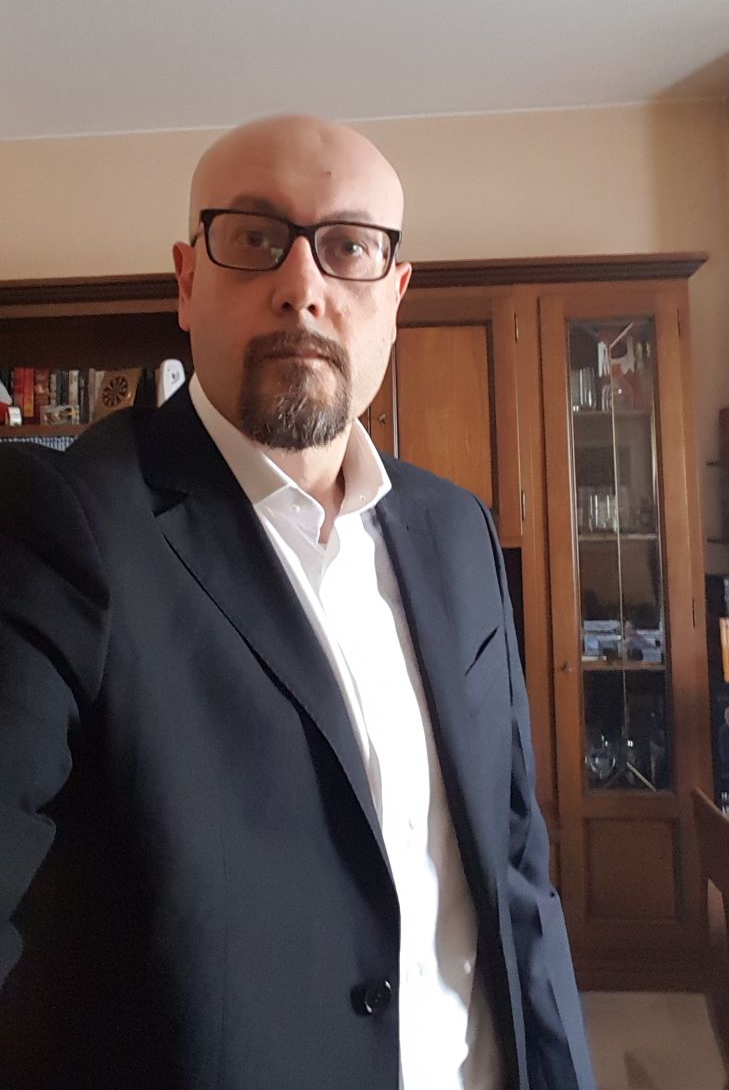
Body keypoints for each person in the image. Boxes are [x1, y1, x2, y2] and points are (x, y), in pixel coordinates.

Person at [0, 115, 595, 1090]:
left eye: (350, 246)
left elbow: (515, 862)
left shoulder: (456, 530)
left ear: (394, 296)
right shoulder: (62, 523)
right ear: (187, 281)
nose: (303, 286)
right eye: (255, 238)